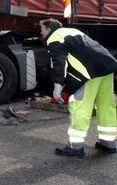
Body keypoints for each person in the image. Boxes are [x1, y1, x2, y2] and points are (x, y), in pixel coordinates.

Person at [39, 18, 117, 157]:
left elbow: (59, 64)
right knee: (106, 106)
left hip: (88, 74)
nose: (41, 32)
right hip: (107, 67)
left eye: (42, 29)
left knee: (80, 106)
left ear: (49, 29)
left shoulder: (55, 38)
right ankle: (108, 143)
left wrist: (57, 87)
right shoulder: (73, 31)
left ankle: (75, 147)